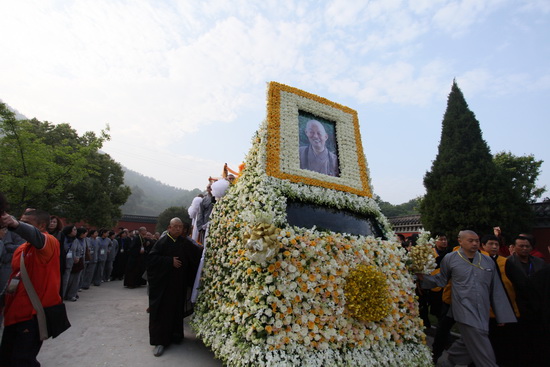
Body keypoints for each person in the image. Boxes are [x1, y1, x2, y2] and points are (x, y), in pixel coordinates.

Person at [418, 230, 516, 367]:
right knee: (481, 339)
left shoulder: (487, 261)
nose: (475, 243)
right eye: (470, 240)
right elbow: (441, 280)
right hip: (462, 306)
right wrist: (423, 278)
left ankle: (450, 362)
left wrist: (501, 315)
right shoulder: (450, 258)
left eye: (476, 240)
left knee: (467, 341)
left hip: (482, 307)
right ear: (460, 241)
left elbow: (496, 289)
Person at [0, 209, 62, 366]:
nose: (20, 226)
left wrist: (15, 223)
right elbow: (14, 278)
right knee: (6, 358)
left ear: (42, 226)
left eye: (26, 223)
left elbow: (35, 236)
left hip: (32, 316)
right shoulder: (21, 248)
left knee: (22, 361)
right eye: (20, 221)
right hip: (12, 314)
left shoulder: (49, 243)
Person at [146, 218, 202, 357]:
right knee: (162, 312)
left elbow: (197, 254)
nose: (178, 229)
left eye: (180, 227)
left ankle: (176, 336)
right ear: (169, 227)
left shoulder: (184, 242)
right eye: (175, 226)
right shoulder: (162, 242)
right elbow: (152, 259)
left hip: (178, 285)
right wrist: (169, 261)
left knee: (176, 310)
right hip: (163, 286)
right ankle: (160, 341)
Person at [505, 235, 548, 366]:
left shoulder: (540, 263)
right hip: (517, 307)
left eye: (527, 246)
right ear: (513, 247)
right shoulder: (508, 263)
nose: (524, 249)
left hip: (538, 308)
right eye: (521, 246)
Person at [480, 234, 519, 366]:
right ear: (483, 246)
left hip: (505, 310)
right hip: (485, 313)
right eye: (491, 244)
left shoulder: (506, 262)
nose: (494, 247)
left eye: (496, 244)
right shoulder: (477, 262)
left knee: (504, 346)